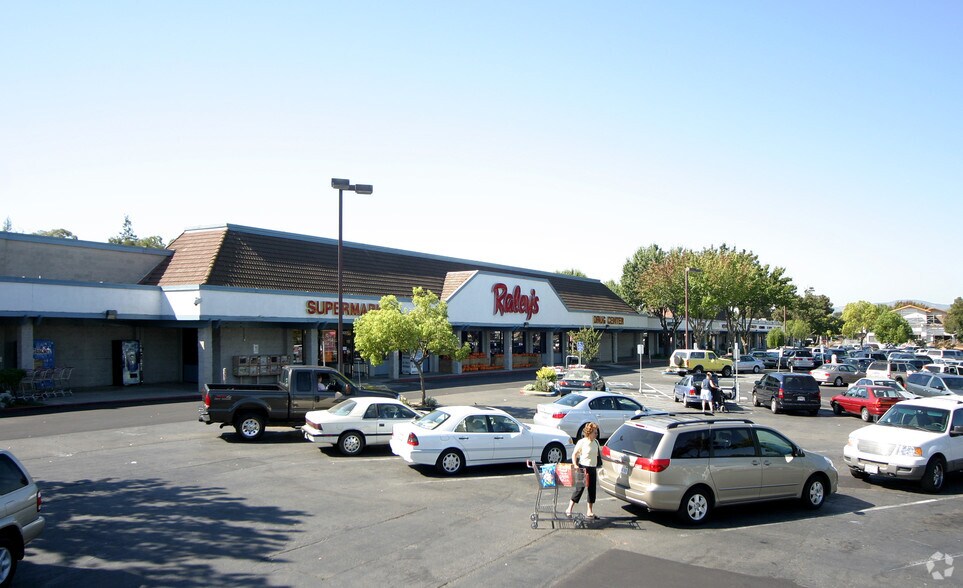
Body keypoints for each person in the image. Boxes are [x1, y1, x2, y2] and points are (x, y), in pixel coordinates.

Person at [565, 422, 600, 519]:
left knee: (592, 490)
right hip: (583, 467)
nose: (596, 434)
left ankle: (589, 511)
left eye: (596, 432)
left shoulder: (596, 442)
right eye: (595, 433)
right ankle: (569, 509)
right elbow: (574, 454)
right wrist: (575, 465)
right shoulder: (582, 442)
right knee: (579, 489)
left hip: (592, 468)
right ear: (589, 432)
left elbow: (599, 455)